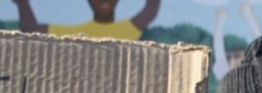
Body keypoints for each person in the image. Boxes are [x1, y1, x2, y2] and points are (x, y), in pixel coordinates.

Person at [13, 0, 160, 40]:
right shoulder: (75, 34)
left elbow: (150, 11)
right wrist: (23, 4)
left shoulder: (127, 29)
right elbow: (31, 29)